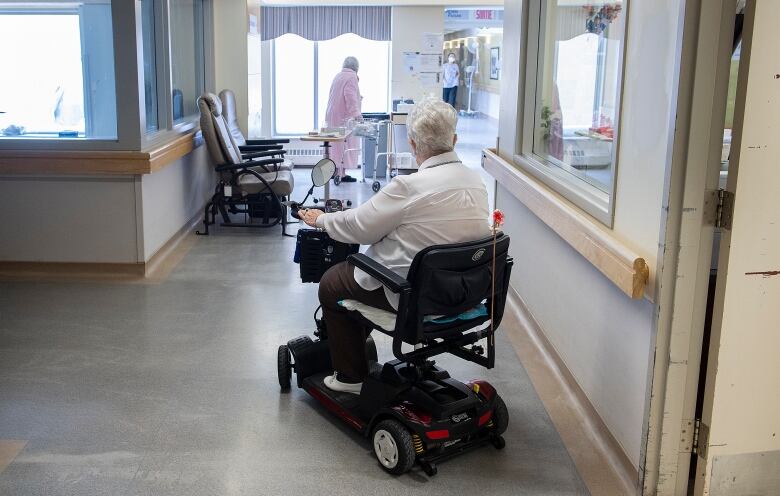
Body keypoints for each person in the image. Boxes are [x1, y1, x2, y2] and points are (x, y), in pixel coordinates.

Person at [298, 98, 491, 394]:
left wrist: (323, 220)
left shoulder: (408, 187)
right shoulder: (475, 182)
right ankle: (356, 347)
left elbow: (359, 227)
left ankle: (351, 377)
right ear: (454, 140)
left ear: (412, 144)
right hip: (462, 292)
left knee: (333, 281)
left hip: (415, 297)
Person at [324, 56, 362, 183]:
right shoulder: (352, 77)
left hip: (332, 115)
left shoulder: (338, 76)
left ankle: (337, 172)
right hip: (343, 117)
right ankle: (341, 174)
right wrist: (357, 114)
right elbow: (350, 96)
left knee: (336, 145)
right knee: (344, 144)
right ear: (356, 67)